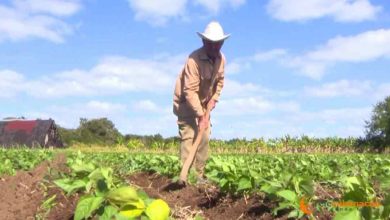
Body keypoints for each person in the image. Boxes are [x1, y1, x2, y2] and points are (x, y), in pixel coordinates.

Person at [173, 21, 230, 183]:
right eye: (210, 43)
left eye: (217, 44)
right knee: (189, 135)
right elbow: (189, 91)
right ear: (204, 41)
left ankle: (198, 175)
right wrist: (200, 115)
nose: (214, 47)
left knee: (204, 136)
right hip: (186, 102)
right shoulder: (193, 60)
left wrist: (213, 99)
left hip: (204, 104)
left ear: (222, 43)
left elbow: (220, 82)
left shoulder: (222, 59)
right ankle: (186, 178)